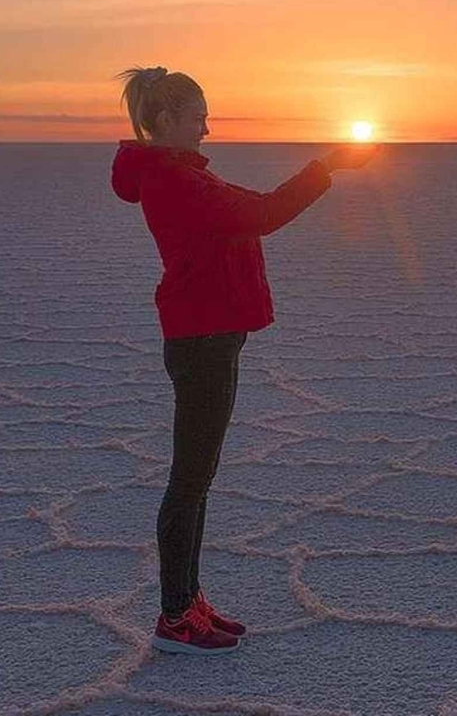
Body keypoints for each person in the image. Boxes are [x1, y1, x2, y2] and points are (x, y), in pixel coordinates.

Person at [110, 65, 374, 656]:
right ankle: (176, 615)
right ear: (166, 121)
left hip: (210, 336)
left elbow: (253, 209)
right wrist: (326, 168)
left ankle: (188, 600)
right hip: (202, 340)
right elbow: (262, 214)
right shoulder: (176, 182)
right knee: (189, 482)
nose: (208, 127)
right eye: (199, 116)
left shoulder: (180, 176)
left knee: (198, 479)